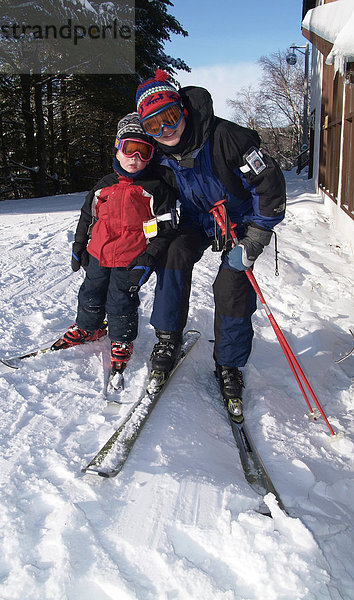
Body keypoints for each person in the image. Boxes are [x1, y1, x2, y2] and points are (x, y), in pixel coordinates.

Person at [136, 70, 286, 419]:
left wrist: (256, 237)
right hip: (195, 219)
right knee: (174, 254)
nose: (165, 130)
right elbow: (131, 177)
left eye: (170, 117)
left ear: (183, 110)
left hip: (239, 220)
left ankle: (229, 364)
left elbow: (269, 184)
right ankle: (168, 337)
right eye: (154, 125)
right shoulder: (158, 153)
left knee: (232, 280)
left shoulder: (227, 138)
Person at [56, 112, 177, 376]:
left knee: (121, 301)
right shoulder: (103, 186)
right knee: (90, 293)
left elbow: (166, 227)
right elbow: (88, 216)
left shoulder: (155, 188)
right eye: (129, 149)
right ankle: (89, 327)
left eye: (143, 151)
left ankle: (121, 340)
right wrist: (79, 245)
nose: (135, 158)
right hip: (98, 254)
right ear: (117, 149)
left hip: (130, 258)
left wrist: (149, 257)